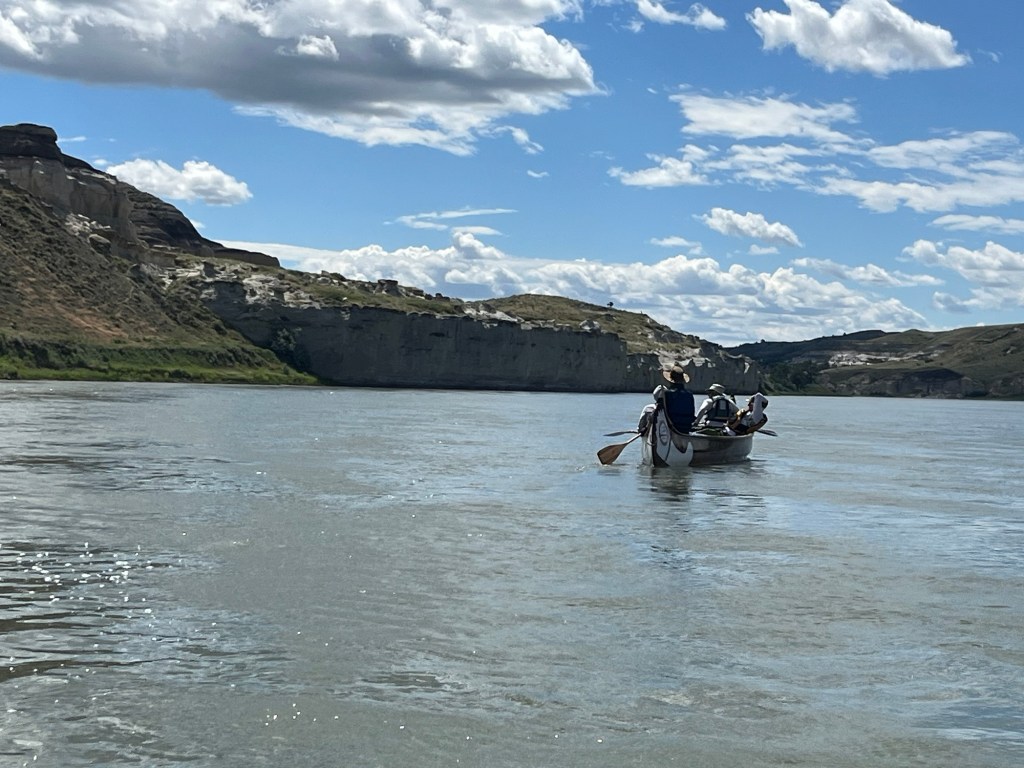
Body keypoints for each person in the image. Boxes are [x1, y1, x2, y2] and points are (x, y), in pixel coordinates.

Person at [652, 363, 695, 432]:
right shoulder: (689, 394)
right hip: (687, 426)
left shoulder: (666, 394)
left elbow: (658, 411)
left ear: (671, 380)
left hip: (671, 425)